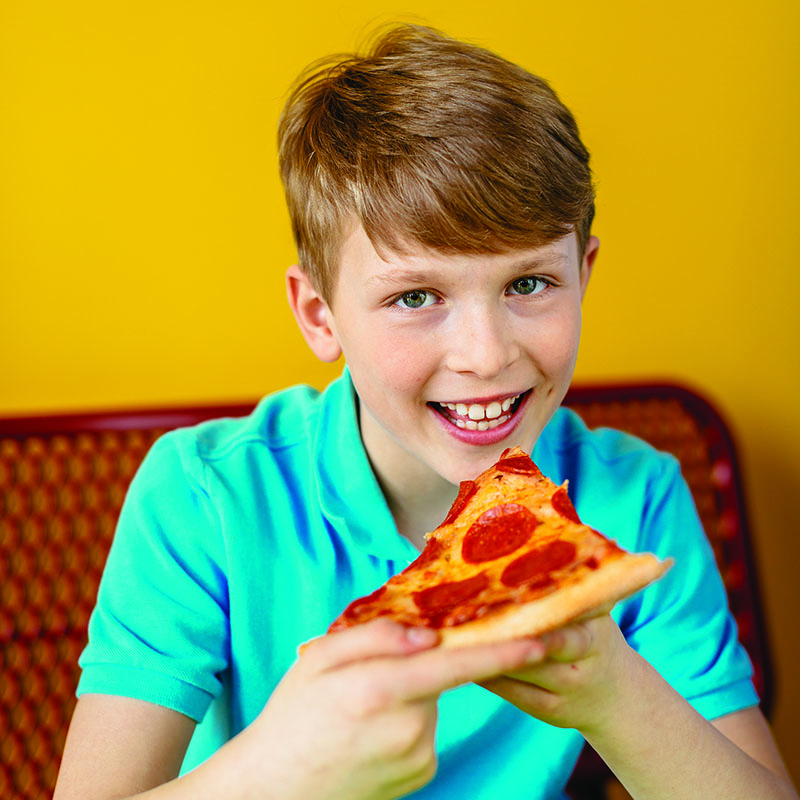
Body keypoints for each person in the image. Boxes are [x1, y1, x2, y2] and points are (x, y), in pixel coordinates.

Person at [54, 24, 797, 800]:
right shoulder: (204, 496)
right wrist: (279, 768)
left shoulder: (635, 497)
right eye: (416, 296)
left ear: (586, 272)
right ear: (319, 315)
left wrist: (614, 691)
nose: (485, 354)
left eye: (529, 284)